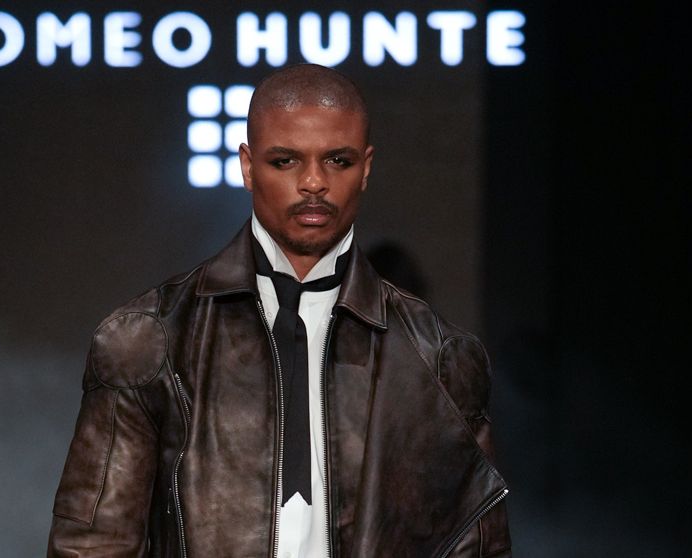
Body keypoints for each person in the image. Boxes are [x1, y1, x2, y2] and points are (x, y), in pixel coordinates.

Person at [47, 64, 511, 558]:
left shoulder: (439, 357)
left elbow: (474, 545)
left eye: (337, 160)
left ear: (366, 167)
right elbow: (93, 546)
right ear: (248, 166)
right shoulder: (148, 340)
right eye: (285, 160)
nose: (313, 182)